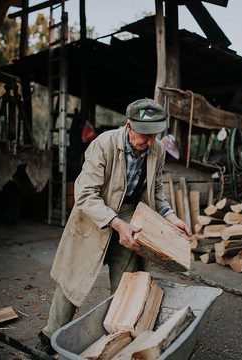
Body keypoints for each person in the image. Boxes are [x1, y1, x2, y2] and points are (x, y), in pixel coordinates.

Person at [37, 98, 192, 354]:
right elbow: (85, 194)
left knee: (127, 281)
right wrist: (115, 222)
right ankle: (50, 336)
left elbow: (156, 190)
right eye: (145, 135)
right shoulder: (103, 144)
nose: (151, 141)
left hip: (130, 216)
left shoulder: (157, 151)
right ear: (129, 126)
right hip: (93, 215)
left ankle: (117, 338)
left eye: (155, 135)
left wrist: (170, 216)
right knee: (72, 280)